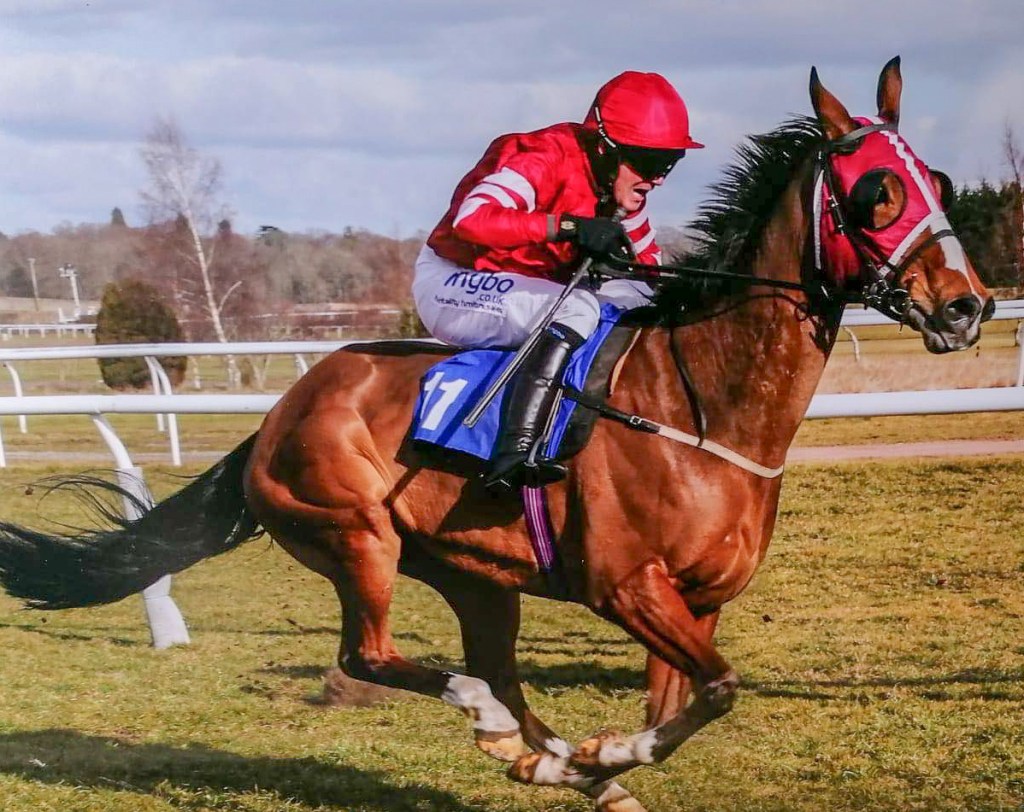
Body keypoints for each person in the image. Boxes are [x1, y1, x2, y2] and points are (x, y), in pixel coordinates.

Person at [412, 71, 703, 492]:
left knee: (640, 301)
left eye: (669, 164)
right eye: (649, 162)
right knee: (577, 308)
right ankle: (514, 453)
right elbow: (472, 219)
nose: (658, 179)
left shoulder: (622, 192)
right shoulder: (544, 156)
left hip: (525, 284)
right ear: (604, 149)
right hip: (454, 279)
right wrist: (569, 227)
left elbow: (650, 274)